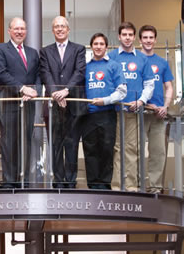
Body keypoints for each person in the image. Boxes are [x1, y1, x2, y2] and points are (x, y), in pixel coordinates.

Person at [0, 17, 40, 188]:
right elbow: (1, 73)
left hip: (28, 103)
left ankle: (24, 180)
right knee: (10, 142)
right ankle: (9, 182)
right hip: (9, 102)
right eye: (16, 29)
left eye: (22, 29)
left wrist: (33, 91)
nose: (20, 32)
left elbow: (37, 76)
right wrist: (22, 88)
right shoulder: (0, 49)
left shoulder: (33, 52)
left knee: (26, 141)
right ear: (9, 31)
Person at [40, 16, 86, 188]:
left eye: (62, 26)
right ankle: (58, 182)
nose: (59, 29)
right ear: (52, 30)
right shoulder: (45, 51)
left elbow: (79, 72)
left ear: (68, 29)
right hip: (52, 106)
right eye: (56, 27)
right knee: (55, 145)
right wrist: (55, 94)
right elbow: (45, 74)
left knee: (72, 144)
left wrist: (66, 91)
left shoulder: (79, 49)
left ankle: (71, 182)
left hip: (74, 104)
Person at [109, 22, 155, 192]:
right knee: (116, 148)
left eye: (130, 35)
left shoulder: (142, 58)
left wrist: (141, 101)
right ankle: (116, 186)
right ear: (119, 37)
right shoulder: (112, 57)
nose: (127, 38)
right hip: (113, 112)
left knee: (131, 148)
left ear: (134, 37)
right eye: (124, 34)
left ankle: (130, 186)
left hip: (133, 111)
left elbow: (149, 84)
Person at [78, 33, 127, 189]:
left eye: (101, 44)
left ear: (106, 47)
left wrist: (104, 100)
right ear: (91, 46)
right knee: (90, 150)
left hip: (107, 114)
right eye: (95, 44)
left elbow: (122, 91)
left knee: (106, 150)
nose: (98, 46)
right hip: (88, 115)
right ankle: (93, 186)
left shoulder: (113, 66)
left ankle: (105, 186)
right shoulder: (85, 67)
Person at [139, 25, 174, 193]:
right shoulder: (135, 61)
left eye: (151, 37)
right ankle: (136, 186)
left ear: (155, 40)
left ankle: (155, 187)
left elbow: (169, 87)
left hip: (159, 114)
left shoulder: (162, 62)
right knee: (135, 151)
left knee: (158, 152)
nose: (148, 40)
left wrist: (165, 106)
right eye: (145, 37)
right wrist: (145, 103)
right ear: (140, 40)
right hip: (139, 113)